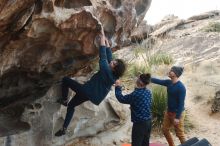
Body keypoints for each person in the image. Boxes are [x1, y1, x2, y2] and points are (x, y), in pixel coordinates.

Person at [55, 29, 126, 136]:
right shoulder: (113, 75)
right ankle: (64, 129)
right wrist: (107, 44)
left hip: (86, 91)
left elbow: (103, 57)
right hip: (90, 95)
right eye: (114, 62)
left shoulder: (106, 71)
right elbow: (109, 57)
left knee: (65, 80)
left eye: (114, 64)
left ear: (114, 69)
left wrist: (102, 40)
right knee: (71, 106)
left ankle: (64, 99)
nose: (112, 62)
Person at [151, 66, 186, 146]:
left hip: (177, 114)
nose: (169, 71)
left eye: (171, 70)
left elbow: (181, 103)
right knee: (165, 130)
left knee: (180, 134)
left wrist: (177, 117)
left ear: (175, 74)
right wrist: (145, 77)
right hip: (168, 112)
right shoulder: (169, 82)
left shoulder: (181, 87)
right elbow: (157, 81)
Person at [115, 73, 152, 146]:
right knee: (145, 143)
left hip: (139, 124)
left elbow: (121, 98)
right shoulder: (148, 92)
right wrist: (133, 106)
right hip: (148, 122)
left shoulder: (136, 94)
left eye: (138, 78)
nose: (136, 79)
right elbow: (144, 103)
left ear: (141, 82)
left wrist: (117, 87)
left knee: (136, 143)